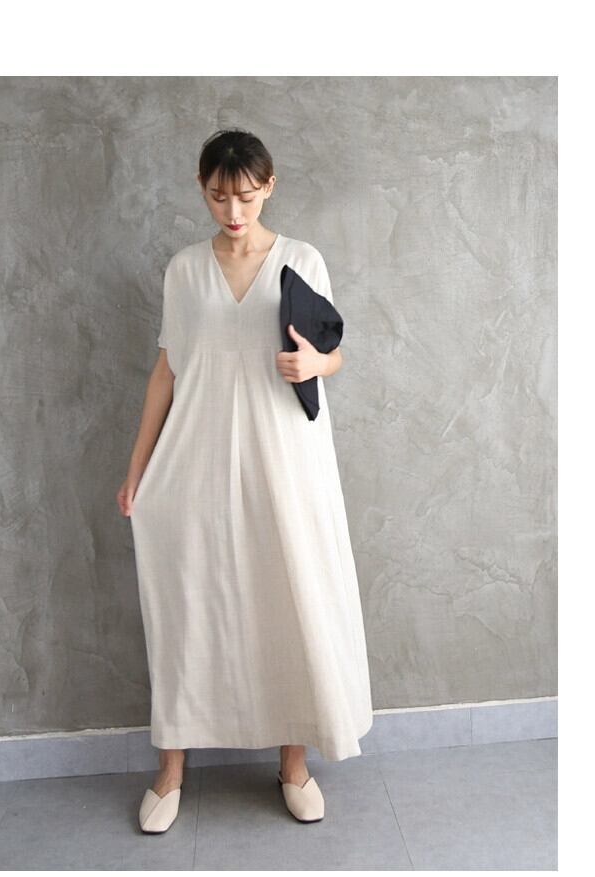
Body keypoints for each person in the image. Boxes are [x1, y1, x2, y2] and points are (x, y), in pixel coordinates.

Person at [117, 128, 374, 832]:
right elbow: (167, 371)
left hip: (285, 459)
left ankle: (293, 764)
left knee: (287, 597)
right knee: (186, 606)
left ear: (269, 187)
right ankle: (171, 770)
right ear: (203, 190)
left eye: (247, 196)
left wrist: (314, 365)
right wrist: (136, 470)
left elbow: (334, 353)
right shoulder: (183, 270)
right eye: (218, 196)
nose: (233, 211)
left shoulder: (302, 260)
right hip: (196, 459)